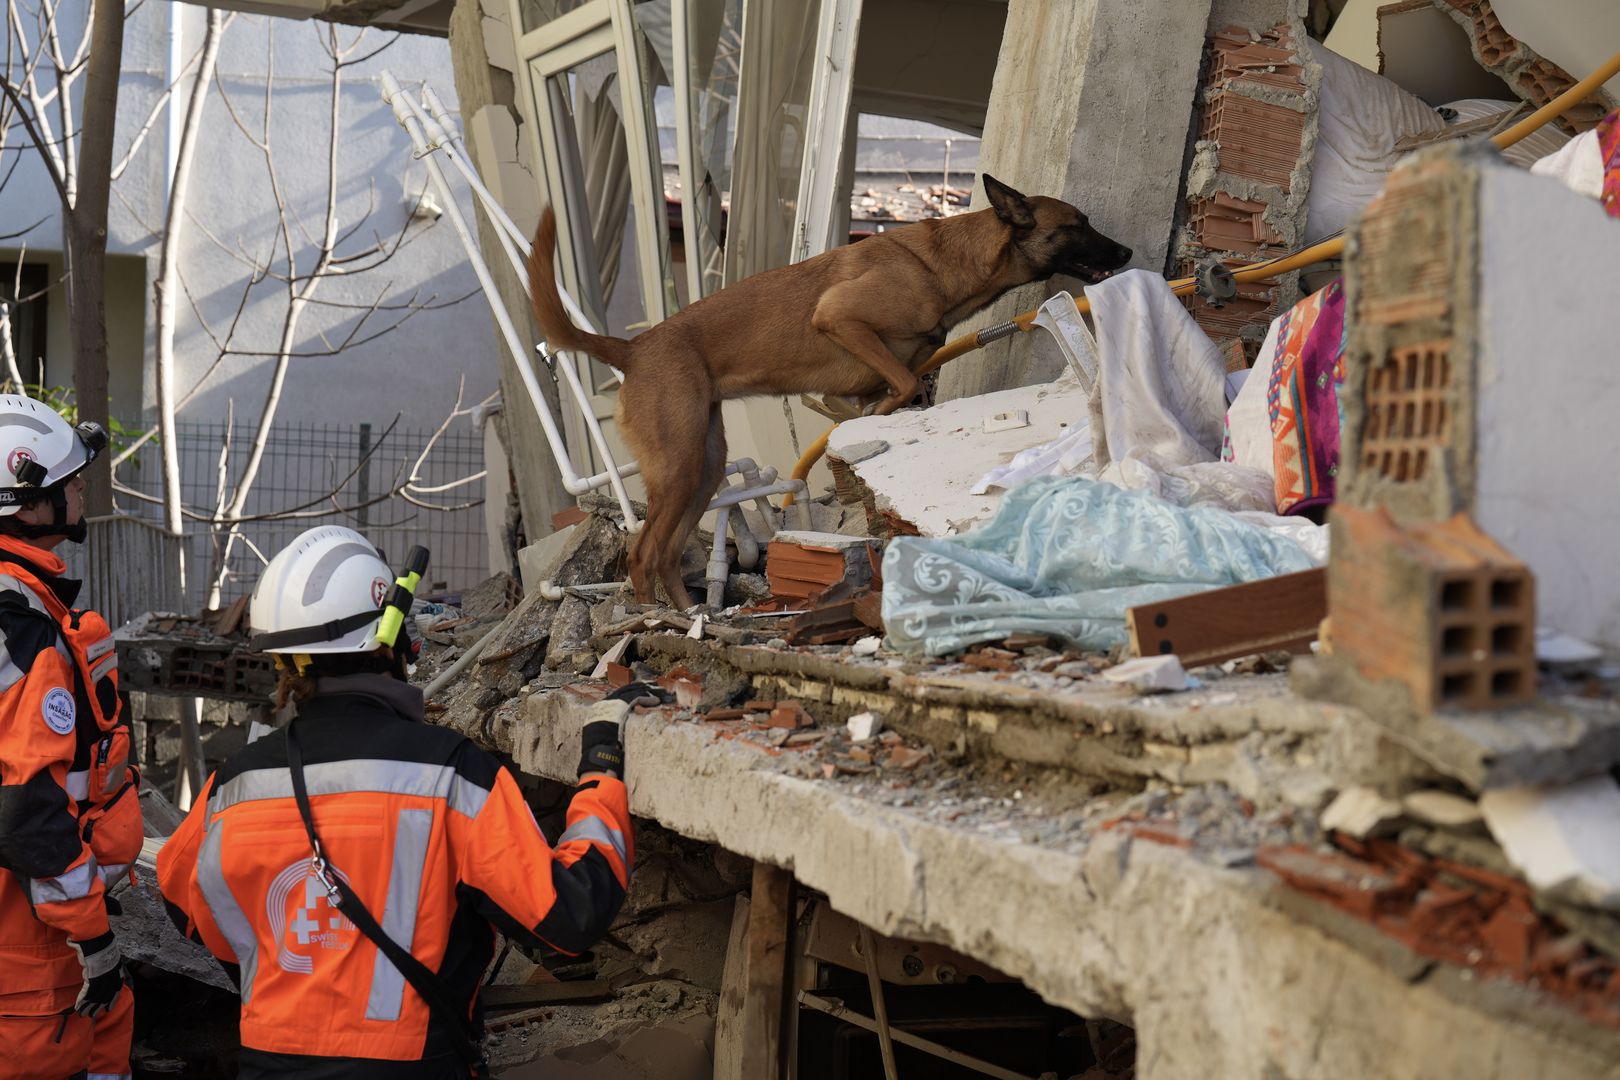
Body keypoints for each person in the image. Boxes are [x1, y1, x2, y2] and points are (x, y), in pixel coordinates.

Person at [157, 525, 634, 1078]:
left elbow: (181, 898)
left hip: (269, 1064)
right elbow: (569, 917)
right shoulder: (451, 775)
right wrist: (601, 768)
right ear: (390, 637)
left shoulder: (232, 787)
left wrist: (275, 970)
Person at [0, 395, 141, 1080]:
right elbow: (28, 815)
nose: (83, 487)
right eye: (71, 480)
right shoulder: (23, 632)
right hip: (26, 962)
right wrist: (93, 937)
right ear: (28, 505)